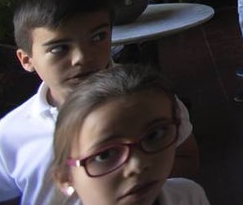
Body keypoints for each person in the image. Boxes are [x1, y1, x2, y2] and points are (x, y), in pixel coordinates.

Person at [0, 0, 200, 205]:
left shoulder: (151, 104)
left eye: (98, 37)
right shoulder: (10, 133)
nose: (82, 57)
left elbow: (188, 158)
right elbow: (1, 199)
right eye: (59, 48)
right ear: (27, 59)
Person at [51, 64, 209, 205]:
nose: (138, 165)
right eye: (105, 155)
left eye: (154, 135)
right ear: (65, 178)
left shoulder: (188, 196)